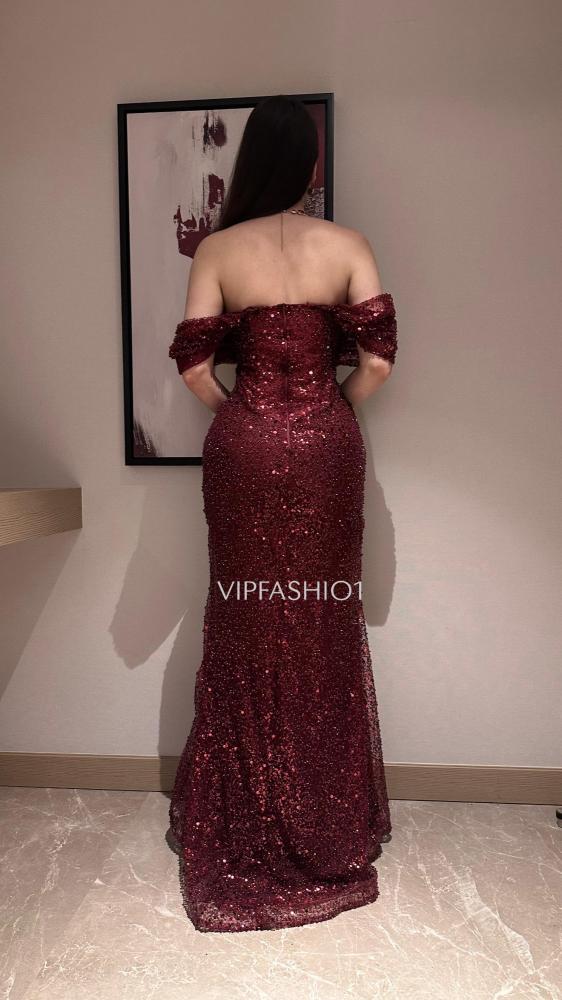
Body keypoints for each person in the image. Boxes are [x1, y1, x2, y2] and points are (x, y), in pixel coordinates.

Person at [167, 94, 398, 933]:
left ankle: (245, 816)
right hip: (327, 447)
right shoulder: (348, 245)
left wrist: (248, 415)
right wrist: (328, 409)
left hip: (244, 447)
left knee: (244, 620)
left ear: (250, 160)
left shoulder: (218, 249)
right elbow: (378, 361)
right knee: (320, 624)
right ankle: (324, 817)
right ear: (310, 164)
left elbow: (195, 368)